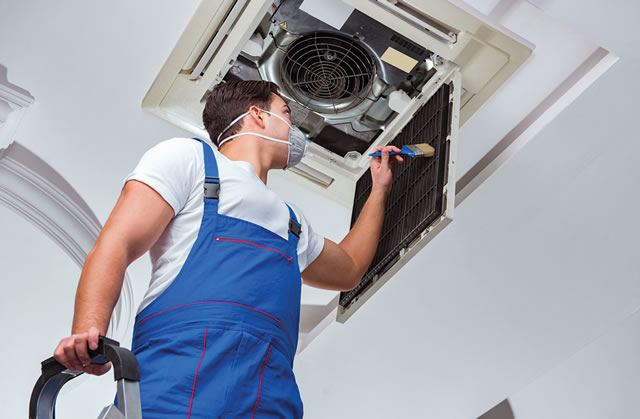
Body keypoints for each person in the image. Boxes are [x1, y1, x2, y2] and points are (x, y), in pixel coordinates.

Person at [53, 80, 403, 417]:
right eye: (287, 113)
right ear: (258, 115)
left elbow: (351, 268)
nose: (297, 133)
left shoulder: (294, 223)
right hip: (178, 382)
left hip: (268, 396)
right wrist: (89, 333)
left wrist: (379, 191)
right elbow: (118, 242)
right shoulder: (191, 159)